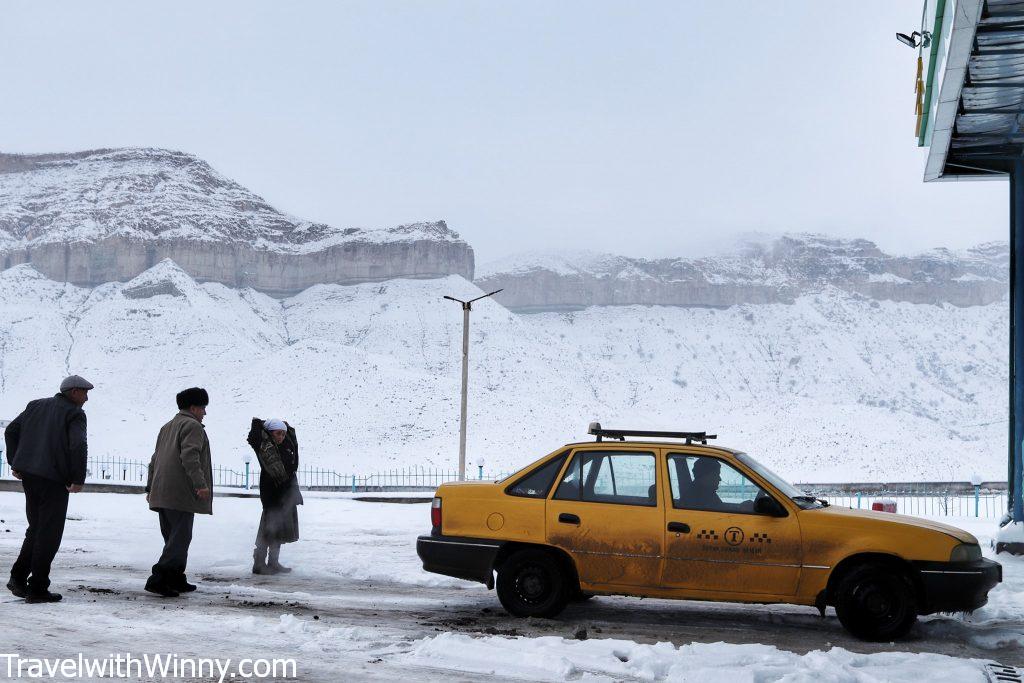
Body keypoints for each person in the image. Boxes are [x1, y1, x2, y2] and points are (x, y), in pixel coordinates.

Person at [4, 375, 93, 603]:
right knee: (49, 534)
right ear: (73, 392)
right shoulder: (74, 413)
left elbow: (11, 431)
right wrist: (77, 478)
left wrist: (16, 461)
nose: (87, 397)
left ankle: (18, 577)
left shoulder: (35, 405)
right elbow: (78, 444)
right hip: (53, 480)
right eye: (84, 392)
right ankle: (38, 588)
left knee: (36, 528)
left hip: (31, 478)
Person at [144, 388, 213, 598]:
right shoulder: (192, 426)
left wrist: (149, 487)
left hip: (162, 491)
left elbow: (154, 459)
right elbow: (190, 456)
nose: (205, 413)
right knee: (180, 539)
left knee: (173, 539)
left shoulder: (167, 426)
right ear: (193, 407)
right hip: (180, 493)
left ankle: (175, 578)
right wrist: (200, 484)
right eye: (203, 408)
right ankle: (159, 578)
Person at [246, 418, 302, 574]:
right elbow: (255, 437)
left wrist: (287, 428)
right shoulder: (265, 447)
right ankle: (258, 563)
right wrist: (259, 424)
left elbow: (294, 451)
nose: (281, 437)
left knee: (280, 528)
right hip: (271, 492)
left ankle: (273, 562)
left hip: (286, 492)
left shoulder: (286, 448)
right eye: (278, 433)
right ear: (270, 434)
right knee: (268, 528)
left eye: (283, 434)